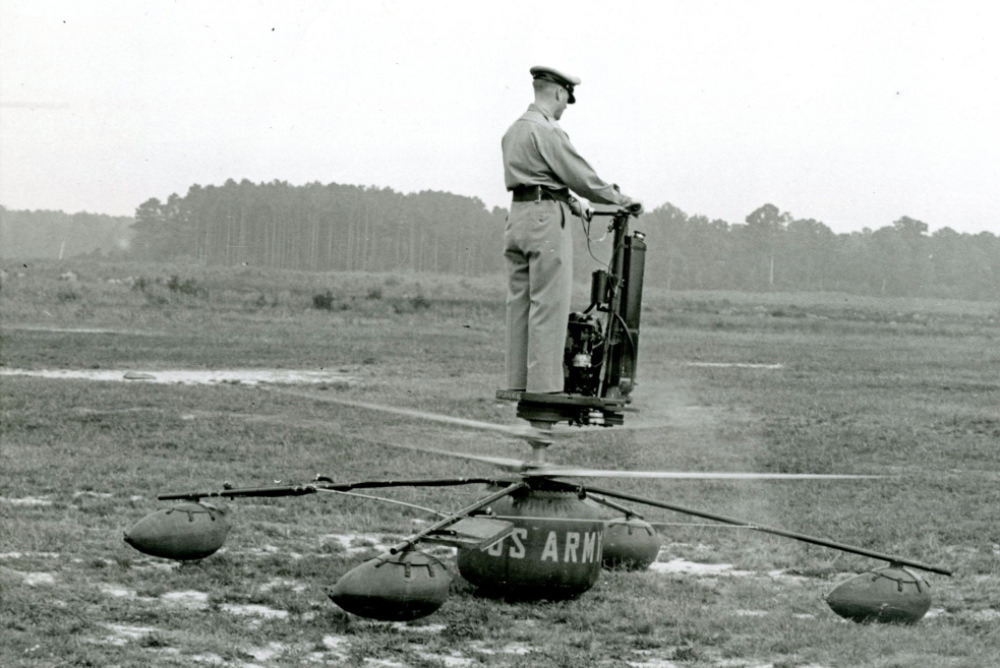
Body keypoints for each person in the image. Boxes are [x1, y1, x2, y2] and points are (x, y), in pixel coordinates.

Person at [502, 65, 642, 394]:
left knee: (520, 306)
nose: (565, 106)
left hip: (517, 217)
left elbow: (539, 177)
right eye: (567, 99)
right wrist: (620, 200)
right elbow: (581, 176)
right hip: (545, 221)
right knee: (549, 305)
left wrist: (573, 203)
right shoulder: (548, 131)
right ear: (559, 92)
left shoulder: (514, 131)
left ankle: (518, 382)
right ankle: (546, 390)